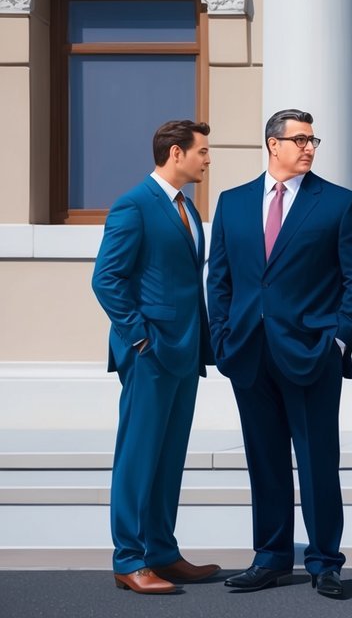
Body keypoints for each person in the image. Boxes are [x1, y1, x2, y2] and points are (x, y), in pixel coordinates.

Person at [207, 110, 352, 599]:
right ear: (272, 145)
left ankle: (325, 561)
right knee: (265, 459)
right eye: (299, 139)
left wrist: (338, 339)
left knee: (319, 460)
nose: (309, 147)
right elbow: (219, 278)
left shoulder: (339, 204)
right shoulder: (233, 203)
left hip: (312, 352)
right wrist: (222, 336)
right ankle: (272, 557)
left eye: (312, 139)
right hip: (246, 352)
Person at [91, 120, 219, 594]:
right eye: (202, 151)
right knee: (139, 457)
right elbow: (107, 280)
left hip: (185, 353)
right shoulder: (133, 205)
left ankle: (162, 552)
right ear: (174, 153)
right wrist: (140, 339)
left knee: (169, 458)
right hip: (150, 353)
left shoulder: (188, 208)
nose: (207, 159)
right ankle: (129, 559)